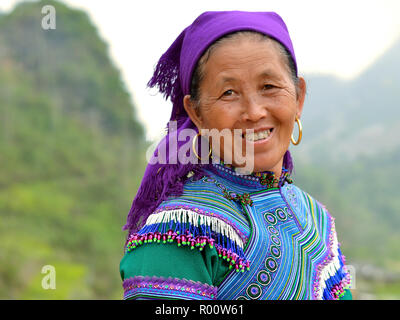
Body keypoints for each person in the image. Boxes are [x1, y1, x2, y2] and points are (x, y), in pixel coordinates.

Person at [119, 10, 352, 300]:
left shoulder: (317, 219)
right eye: (229, 93)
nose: (254, 112)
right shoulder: (177, 235)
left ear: (298, 96)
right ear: (196, 113)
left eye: (269, 87)